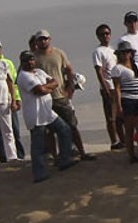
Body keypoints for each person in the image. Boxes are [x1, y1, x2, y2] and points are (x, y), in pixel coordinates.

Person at [32, 31, 95, 162]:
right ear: (36, 42)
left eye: (45, 39)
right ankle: (56, 157)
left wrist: (70, 88)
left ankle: (82, 152)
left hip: (60, 96)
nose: (43, 41)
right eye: (40, 39)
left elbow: (69, 70)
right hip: (45, 99)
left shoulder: (58, 53)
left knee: (72, 125)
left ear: (49, 39)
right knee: (50, 130)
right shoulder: (34, 58)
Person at [16, 50, 75, 182]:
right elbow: (40, 90)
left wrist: (46, 87)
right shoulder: (23, 76)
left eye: (31, 59)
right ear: (22, 62)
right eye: (26, 60)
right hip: (35, 115)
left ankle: (64, 159)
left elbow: (55, 82)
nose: (30, 62)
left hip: (47, 112)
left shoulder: (39, 72)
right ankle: (39, 173)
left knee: (64, 130)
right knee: (39, 145)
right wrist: (47, 88)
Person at [108, 46, 138, 162]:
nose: (125, 54)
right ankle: (131, 155)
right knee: (129, 128)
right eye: (123, 53)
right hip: (128, 100)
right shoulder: (117, 69)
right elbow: (117, 88)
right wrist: (119, 105)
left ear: (131, 54)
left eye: (127, 52)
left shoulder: (137, 67)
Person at [92, 23, 121, 147]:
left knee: (120, 114)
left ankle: (122, 139)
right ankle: (114, 141)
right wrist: (105, 88)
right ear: (98, 36)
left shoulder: (113, 50)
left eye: (107, 33)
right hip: (108, 86)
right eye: (102, 34)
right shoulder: (98, 52)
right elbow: (99, 71)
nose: (105, 36)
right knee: (111, 116)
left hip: (117, 86)